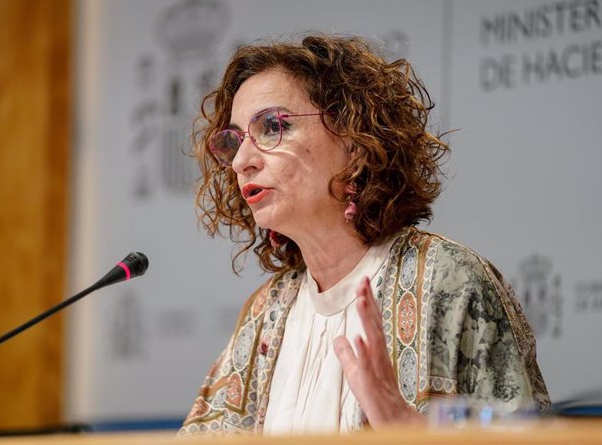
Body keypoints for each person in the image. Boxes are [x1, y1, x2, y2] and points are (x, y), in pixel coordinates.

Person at [178, 34, 550, 436]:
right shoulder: (266, 313)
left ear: (355, 139)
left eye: (272, 127)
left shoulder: (449, 280)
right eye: (234, 142)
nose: (242, 162)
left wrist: (409, 432)